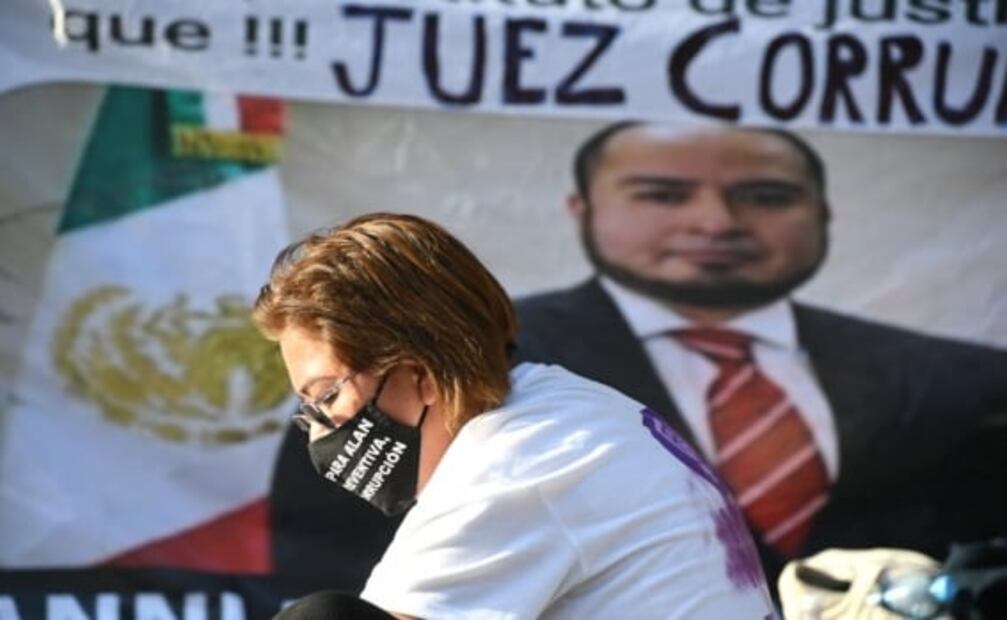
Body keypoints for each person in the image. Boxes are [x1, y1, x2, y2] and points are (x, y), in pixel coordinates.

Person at [514, 121, 1007, 590]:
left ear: (823, 213)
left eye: (767, 198)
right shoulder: (491, 360)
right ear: (581, 210)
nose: (717, 223)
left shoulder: (969, 379)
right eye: (663, 195)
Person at [253, 213, 776, 618]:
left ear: (421, 376)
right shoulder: (566, 409)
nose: (321, 429)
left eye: (326, 396)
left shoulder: (513, 463)